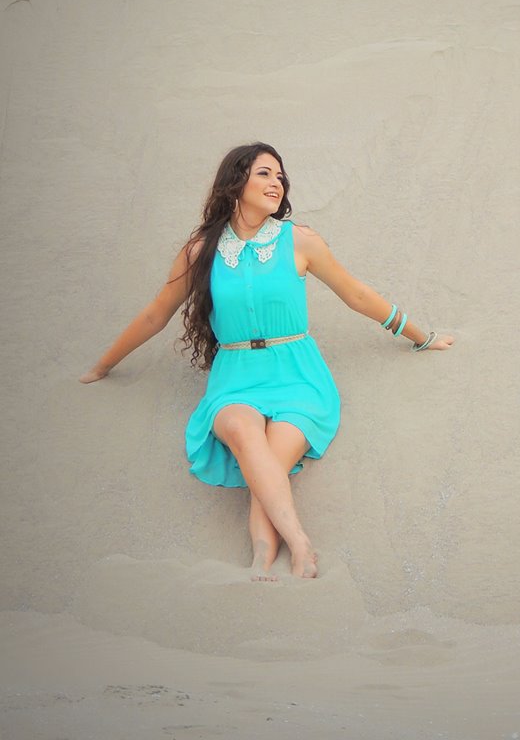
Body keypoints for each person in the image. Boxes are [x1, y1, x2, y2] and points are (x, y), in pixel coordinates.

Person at [80, 141, 454, 580]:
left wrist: (421, 337)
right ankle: (299, 543)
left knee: (270, 460)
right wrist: (103, 366)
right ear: (235, 182)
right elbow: (155, 315)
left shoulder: (300, 240)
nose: (276, 183)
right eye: (264, 173)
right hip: (235, 378)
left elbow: (357, 295)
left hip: (297, 377)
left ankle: (263, 556)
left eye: (280, 176)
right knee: (243, 432)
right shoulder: (201, 250)